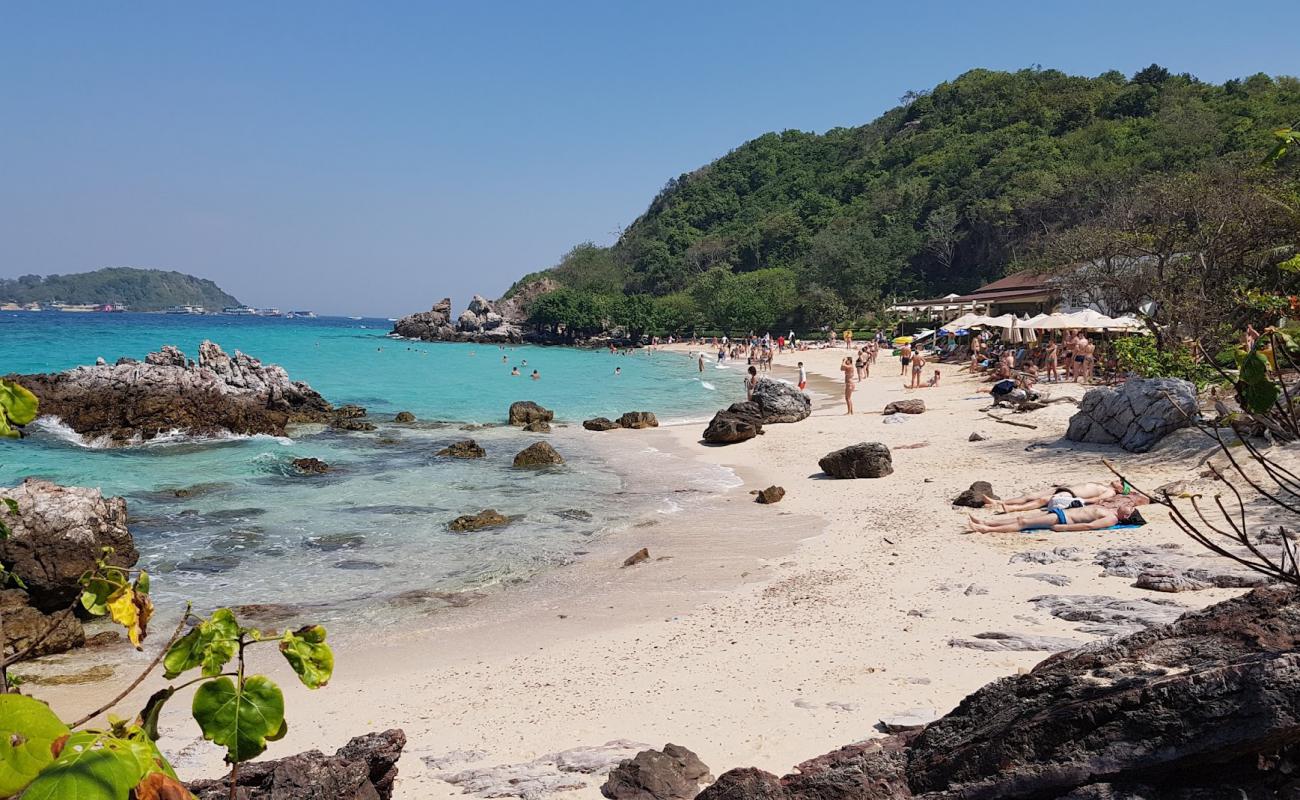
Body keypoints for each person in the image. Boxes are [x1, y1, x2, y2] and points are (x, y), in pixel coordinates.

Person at [967, 501, 1146, 533]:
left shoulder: (1112, 519)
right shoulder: (1111, 511)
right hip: (1061, 514)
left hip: (1063, 520)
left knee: (1023, 522)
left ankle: (986, 529)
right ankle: (986, 522)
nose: (1127, 506)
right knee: (1020, 518)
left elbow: (1089, 526)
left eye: (1129, 509)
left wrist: (1064, 528)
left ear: (1126, 516)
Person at [983, 480, 1131, 513]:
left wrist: (1080, 501)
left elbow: (1096, 499)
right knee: (1031, 495)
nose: (1117, 481)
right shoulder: (1105, 485)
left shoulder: (1110, 492)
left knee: (1041, 501)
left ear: (1120, 489)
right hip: (1065, 488)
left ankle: (1011, 508)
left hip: (1071, 495)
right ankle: (998, 502)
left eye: (1120, 483)